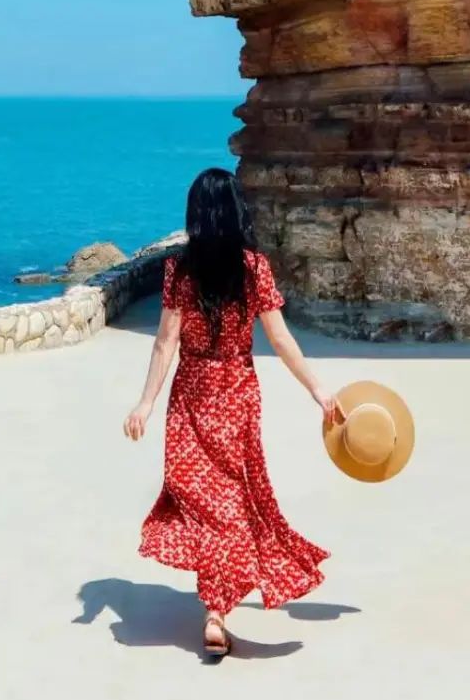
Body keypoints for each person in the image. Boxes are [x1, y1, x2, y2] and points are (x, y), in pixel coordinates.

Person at [124, 167, 342, 657]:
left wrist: (147, 401)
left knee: (210, 504)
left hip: (193, 392)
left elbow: (165, 343)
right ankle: (216, 609)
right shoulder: (253, 267)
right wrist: (317, 388)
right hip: (235, 393)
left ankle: (216, 610)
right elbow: (280, 338)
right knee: (223, 504)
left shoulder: (181, 271)